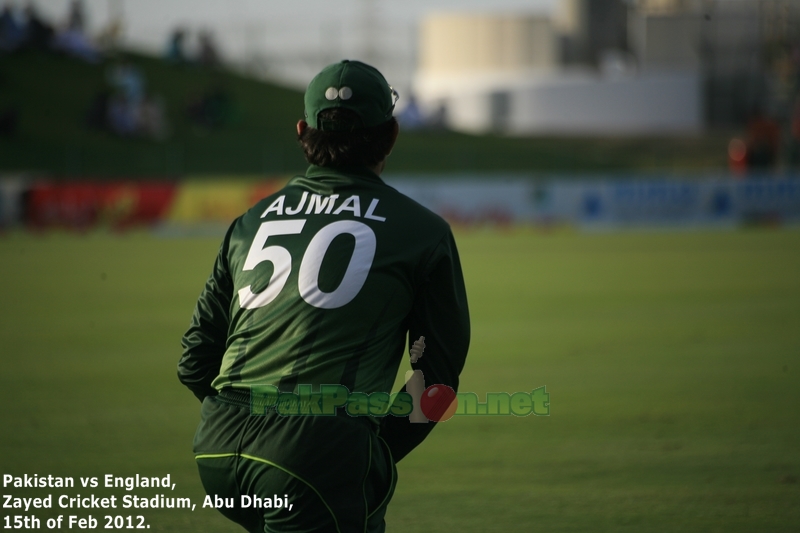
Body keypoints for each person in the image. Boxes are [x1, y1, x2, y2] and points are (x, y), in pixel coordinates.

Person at [178, 59, 470, 533]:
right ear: (392, 135)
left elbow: (195, 360)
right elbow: (438, 380)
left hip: (216, 446)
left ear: (301, 131)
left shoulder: (250, 221)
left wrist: (241, 423)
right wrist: (369, 447)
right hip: (318, 452)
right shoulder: (422, 232)